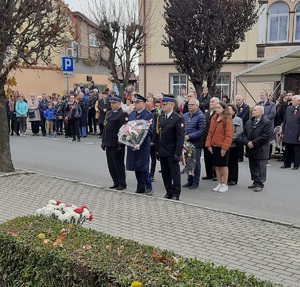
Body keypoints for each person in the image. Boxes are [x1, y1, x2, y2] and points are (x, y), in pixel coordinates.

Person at [154, 94, 185, 200]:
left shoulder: (177, 118)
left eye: (165, 104)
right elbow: (158, 135)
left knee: (174, 173)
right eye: (162, 104)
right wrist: (157, 150)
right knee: (165, 173)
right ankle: (169, 191)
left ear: (171, 105)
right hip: (162, 150)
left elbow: (180, 138)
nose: (162, 106)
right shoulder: (161, 117)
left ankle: (176, 193)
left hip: (172, 151)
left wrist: (178, 153)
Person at [126, 94, 154, 194]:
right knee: (135, 165)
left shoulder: (148, 115)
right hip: (133, 143)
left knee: (143, 165)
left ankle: (148, 185)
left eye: (137, 103)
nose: (135, 104)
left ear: (143, 104)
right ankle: (140, 186)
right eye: (135, 103)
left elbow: (150, 130)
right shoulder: (132, 114)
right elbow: (128, 127)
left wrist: (139, 133)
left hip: (143, 144)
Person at [241, 106, 273, 192]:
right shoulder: (249, 122)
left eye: (255, 110)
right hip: (250, 147)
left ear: (261, 112)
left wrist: (253, 142)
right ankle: (255, 181)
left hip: (261, 148)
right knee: (253, 165)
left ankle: (260, 183)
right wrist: (247, 142)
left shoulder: (267, 122)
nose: (253, 111)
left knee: (260, 166)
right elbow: (243, 134)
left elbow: (266, 136)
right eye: (253, 110)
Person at [205, 101, 233, 193]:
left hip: (222, 146)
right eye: (216, 108)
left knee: (223, 165)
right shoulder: (214, 118)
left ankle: (225, 184)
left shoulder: (227, 120)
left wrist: (224, 148)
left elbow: (228, 135)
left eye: (219, 108)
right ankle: (219, 182)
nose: (217, 109)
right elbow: (210, 132)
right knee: (216, 165)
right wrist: (208, 144)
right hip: (214, 145)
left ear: (223, 109)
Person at [102, 95, 128, 190]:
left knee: (118, 164)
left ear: (119, 103)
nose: (112, 105)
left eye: (114, 103)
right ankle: (115, 181)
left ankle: (122, 183)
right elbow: (105, 128)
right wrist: (103, 141)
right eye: (111, 103)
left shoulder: (122, 114)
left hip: (117, 144)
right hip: (108, 142)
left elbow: (123, 131)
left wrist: (121, 144)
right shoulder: (109, 113)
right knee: (111, 164)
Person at [182, 98, 206, 189]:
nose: (190, 106)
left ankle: (195, 182)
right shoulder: (185, 116)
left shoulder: (201, 116)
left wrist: (190, 136)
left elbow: (201, 131)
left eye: (192, 105)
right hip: (186, 143)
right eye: (189, 105)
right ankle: (189, 180)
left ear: (197, 106)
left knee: (195, 163)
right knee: (188, 162)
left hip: (195, 143)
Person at [202, 97, 220, 180]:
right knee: (207, 156)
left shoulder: (218, 114)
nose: (210, 103)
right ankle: (209, 173)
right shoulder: (207, 113)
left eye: (213, 102)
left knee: (215, 156)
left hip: (215, 138)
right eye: (210, 102)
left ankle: (216, 174)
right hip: (206, 137)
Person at [281, 95, 300, 170]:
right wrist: (283, 131)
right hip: (288, 131)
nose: (292, 102)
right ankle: (286, 163)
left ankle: (296, 165)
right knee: (287, 148)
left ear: (298, 101)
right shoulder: (289, 109)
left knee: (296, 150)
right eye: (292, 100)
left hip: (296, 132)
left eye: (294, 100)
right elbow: (285, 120)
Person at [227, 104, 243, 185]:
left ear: (234, 111)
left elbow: (239, 132)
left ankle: (233, 179)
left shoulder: (238, 119)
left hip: (234, 144)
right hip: (226, 144)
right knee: (227, 162)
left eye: (230, 109)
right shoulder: (225, 119)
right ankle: (227, 178)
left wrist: (230, 139)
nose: (228, 111)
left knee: (233, 162)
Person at [236, 94, 250, 162]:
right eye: (236, 100)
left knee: (241, 140)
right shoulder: (236, 107)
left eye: (239, 100)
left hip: (243, 125)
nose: (237, 101)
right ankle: (237, 155)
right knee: (237, 140)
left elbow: (244, 117)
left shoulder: (246, 107)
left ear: (242, 100)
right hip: (236, 125)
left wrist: (237, 121)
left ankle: (240, 156)